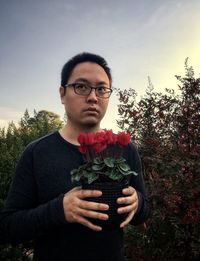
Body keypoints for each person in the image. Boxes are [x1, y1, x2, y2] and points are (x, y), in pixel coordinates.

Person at [0, 52, 150, 261]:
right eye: (81, 87)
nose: (92, 97)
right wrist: (59, 210)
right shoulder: (37, 152)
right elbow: (9, 227)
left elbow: (144, 214)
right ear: (62, 94)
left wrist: (138, 203)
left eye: (101, 89)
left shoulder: (125, 149)